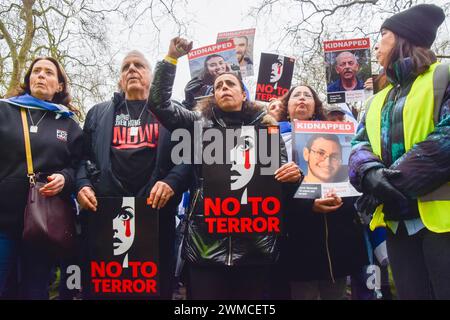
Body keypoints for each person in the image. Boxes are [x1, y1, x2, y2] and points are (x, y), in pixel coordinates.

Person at [147, 37, 302, 300]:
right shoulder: (198, 125)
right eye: (218, 86)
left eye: (231, 83)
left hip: (256, 249)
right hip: (206, 248)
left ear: (244, 93)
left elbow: (281, 188)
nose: (224, 88)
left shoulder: (266, 129)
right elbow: (159, 104)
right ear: (213, 95)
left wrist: (294, 177)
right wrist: (171, 58)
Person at [349, 4, 450, 300]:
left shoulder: (444, 75)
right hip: (397, 226)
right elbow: (358, 146)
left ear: (404, 38)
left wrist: (387, 183)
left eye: (383, 34)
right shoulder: (375, 100)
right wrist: (369, 172)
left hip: (442, 224)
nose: (376, 44)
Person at [76, 50, 191, 299]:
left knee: (154, 290)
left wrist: (172, 182)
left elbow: (188, 158)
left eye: (139, 65)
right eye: (125, 66)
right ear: (120, 79)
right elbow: (82, 158)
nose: (131, 69)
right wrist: (82, 185)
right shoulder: (97, 113)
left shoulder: (173, 112)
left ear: (151, 76)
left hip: (156, 217)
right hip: (106, 217)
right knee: (105, 290)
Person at [0, 57, 83, 299]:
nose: (41, 75)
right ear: (28, 79)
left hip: (43, 225)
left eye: (48, 72)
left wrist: (65, 179)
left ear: (59, 85)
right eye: (36, 71)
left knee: (34, 291)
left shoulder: (68, 123)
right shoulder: (5, 110)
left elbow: (79, 166)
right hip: (3, 222)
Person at [278, 84, 367, 300]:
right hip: (298, 238)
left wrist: (341, 198)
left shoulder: (336, 136)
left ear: (315, 106)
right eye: (295, 95)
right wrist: (308, 205)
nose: (301, 99)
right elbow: (271, 191)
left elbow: (350, 178)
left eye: (307, 95)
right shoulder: (273, 140)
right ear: (286, 106)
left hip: (337, 236)